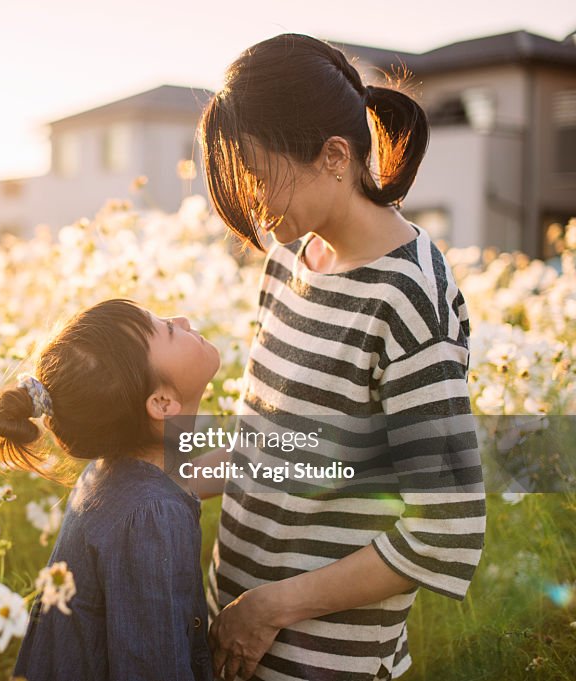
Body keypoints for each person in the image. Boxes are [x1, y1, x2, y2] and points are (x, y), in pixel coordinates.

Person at [187, 34, 487, 681]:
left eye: (261, 174)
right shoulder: (290, 259)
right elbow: (271, 442)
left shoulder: (409, 297)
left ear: (333, 156)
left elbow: (447, 529)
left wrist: (270, 607)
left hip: (324, 660)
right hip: (239, 636)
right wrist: (148, 476)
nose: (255, 201)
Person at [0, 298, 220, 681]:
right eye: (171, 330)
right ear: (162, 403)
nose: (181, 318)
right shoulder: (151, 518)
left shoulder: (112, 476)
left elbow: (188, 480)